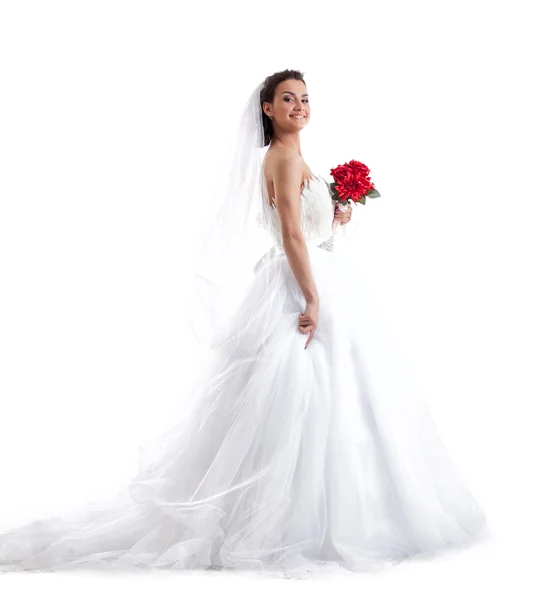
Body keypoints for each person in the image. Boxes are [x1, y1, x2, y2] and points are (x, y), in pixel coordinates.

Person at [0, 69, 490, 579]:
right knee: (304, 396)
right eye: (287, 98)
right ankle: (296, 525)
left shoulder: (295, 157)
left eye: (304, 98)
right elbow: (293, 236)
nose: (299, 105)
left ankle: (346, 513)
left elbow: (310, 224)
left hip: (318, 273)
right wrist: (313, 297)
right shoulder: (280, 157)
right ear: (267, 110)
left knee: (340, 398)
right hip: (303, 282)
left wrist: (336, 212)